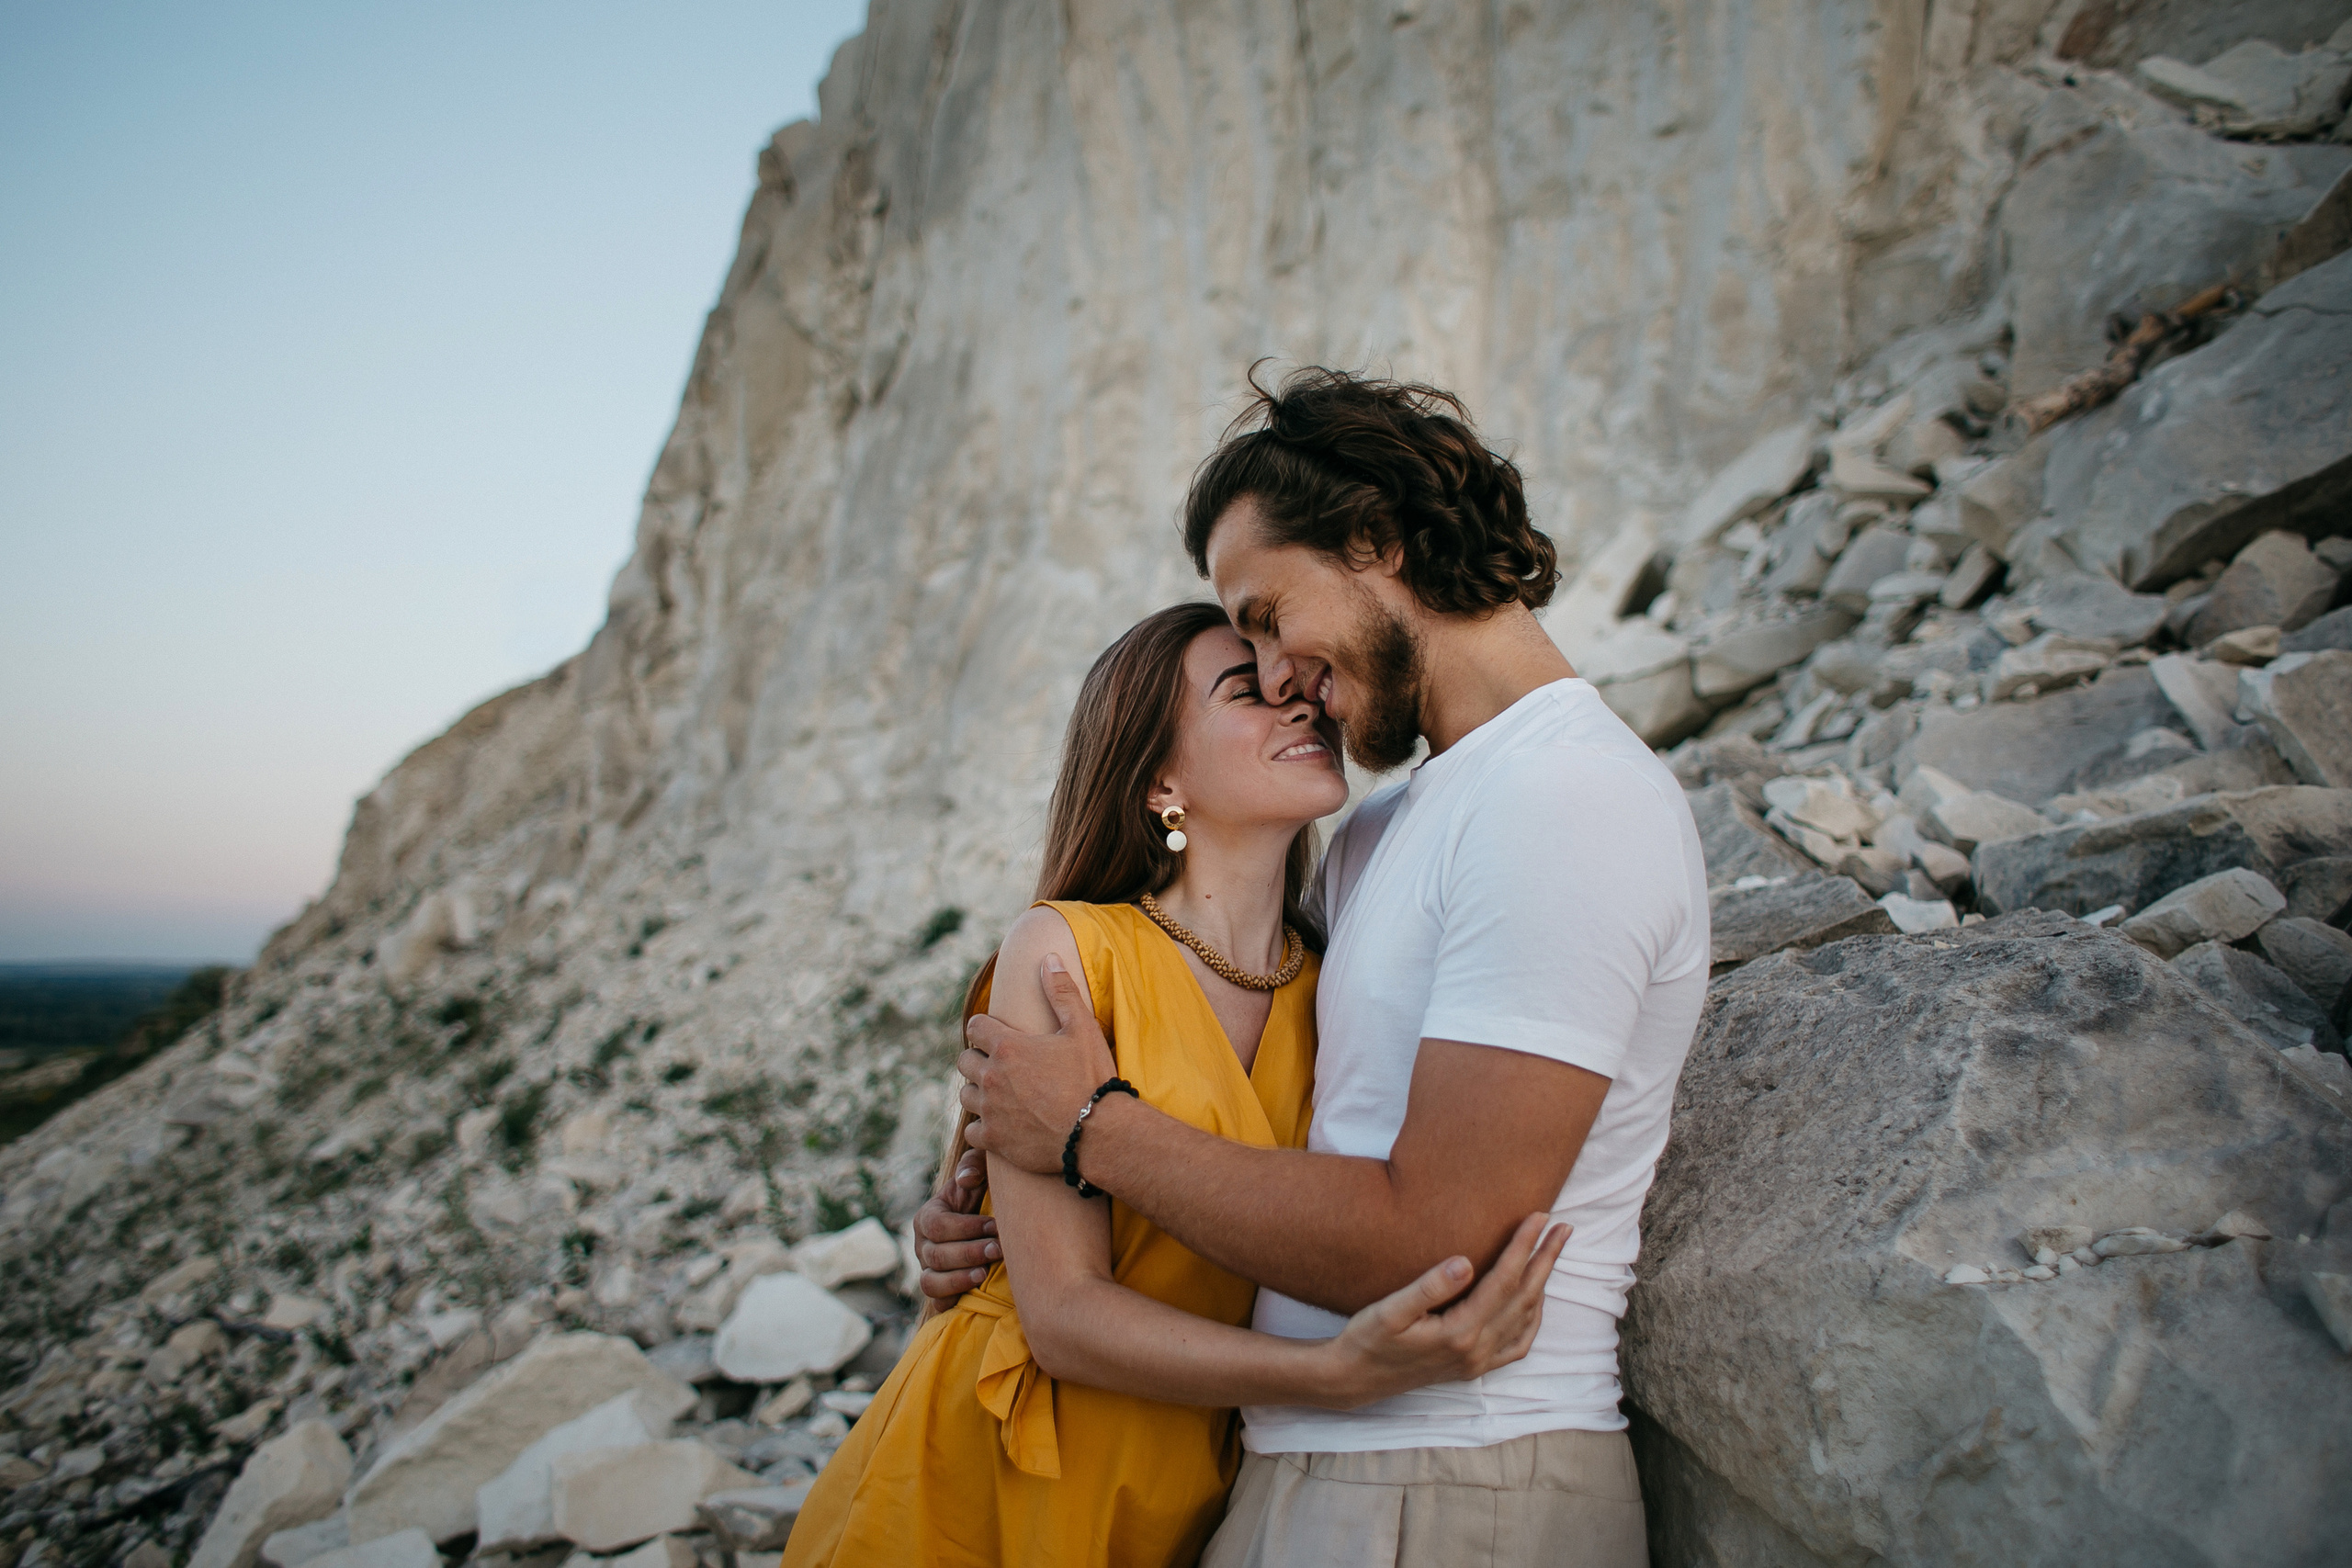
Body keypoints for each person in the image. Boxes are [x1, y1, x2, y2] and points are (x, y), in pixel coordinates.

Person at [926, 368, 1710, 1567]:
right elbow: (1276, 1126)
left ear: (1374, 542)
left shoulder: (1568, 794)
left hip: (1463, 1476)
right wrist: (1004, 1223)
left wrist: (1086, 1126)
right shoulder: (1377, 833)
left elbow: (1432, 1235)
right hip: (1297, 1468)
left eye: (1263, 613)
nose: (1278, 672)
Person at [782, 600, 1570, 1568]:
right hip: (991, 1475)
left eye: (1297, 691)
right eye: (1249, 694)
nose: (1301, 711)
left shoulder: (1335, 980)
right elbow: (1063, 1316)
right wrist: (1331, 1374)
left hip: (1188, 1482)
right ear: (1160, 777)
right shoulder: (1069, 953)